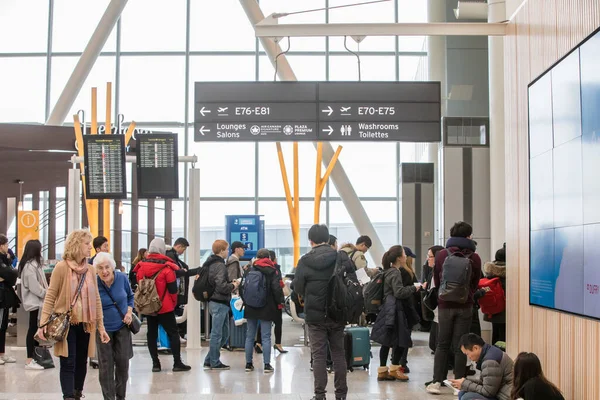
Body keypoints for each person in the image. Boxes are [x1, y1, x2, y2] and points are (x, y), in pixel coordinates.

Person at [37, 229, 110, 400]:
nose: (89, 247)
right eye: (86, 243)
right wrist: (43, 323)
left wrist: (101, 327)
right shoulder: (61, 268)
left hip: (86, 324)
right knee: (68, 361)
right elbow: (50, 296)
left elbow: (97, 300)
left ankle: (77, 393)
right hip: (67, 323)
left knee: (82, 362)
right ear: (76, 244)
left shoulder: (91, 270)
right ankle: (68, 396)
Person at [427, 221, 482, 395]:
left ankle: (436, 382)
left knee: (442, 344)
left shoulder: (442, 254)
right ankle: (458, 385)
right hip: (465, 306)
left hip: (444, 306)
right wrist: (468, 296)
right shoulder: (474, 257)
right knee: (460, 345)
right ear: (468, 236)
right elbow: (475, 281)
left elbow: (436, 278)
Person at [293, 224, 348, 400]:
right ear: (328, 239)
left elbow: (298, 287)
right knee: (338, 353)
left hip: (315, 315)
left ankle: (319, 395)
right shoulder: (340, 257)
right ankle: (341, 395)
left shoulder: (304, 261)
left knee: (319, 355)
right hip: (337, 312)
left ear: (310, 240)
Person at [133, 237, 191, 373]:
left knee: (151, 334)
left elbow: (141, 286)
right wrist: (172, 303)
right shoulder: (167, 268)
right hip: (165, 307)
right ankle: (177, 363)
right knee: (173, 333)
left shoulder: (141, 267)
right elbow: (172, 290)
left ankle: (155, 364)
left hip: (149, 307)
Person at [371, 245, 421, 382]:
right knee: (400, 340)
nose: (406, 256)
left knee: (387, 341)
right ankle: (394, 369)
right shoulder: (395, 272)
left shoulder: (388, 271)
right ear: (399, 258)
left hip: (388, 308)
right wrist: (414, 288)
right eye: (404, 254)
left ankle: (383, 371)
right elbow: (399, 292)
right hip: (396, 309)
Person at [94, 252, 134, 400]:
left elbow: (130, 297)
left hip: (122, 326)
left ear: (112, 267)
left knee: (123, 362)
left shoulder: (122, 278)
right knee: (106, 366)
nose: (104, 271)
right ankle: (109, 398)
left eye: (107, 267)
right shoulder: (95, 282)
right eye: (100, 268)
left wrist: (129, 312)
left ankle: (120, 396)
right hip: (103, 328)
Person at [243, 248, 284, 373]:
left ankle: (248, 364)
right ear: (269, 258)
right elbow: (277, 289)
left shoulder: (249, 269)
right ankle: (266, 365)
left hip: (250, 306)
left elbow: (242, 287)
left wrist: (246, 301)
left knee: (250, 336)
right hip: (267, 306)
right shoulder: (273, 271)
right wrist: (280, 302)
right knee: (266, 336)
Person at [203, 239, 240, 370]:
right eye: (227, 249)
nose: (228, 252)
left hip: (218, 302)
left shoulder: (211, 263)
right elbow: (221, 286)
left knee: (224, 334)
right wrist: (233, 285)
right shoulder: (219, 265)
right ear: (221, 251)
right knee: (217, 334)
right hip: (219, 302)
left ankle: (209, 360)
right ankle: (214, 361)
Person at [448, 333, 513, 400]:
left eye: (467, 354)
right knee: (462, 392)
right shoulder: (489, 352)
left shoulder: (489, 362)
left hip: (504, 396)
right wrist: (465, 381)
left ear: (475, 348)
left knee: (467, 397)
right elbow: (486, 382)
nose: (468, 357)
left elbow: (488, 392)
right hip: (499, 392)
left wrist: (465, 384)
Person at [18, 239, 48, 370]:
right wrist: (47, 294)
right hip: (34, 302)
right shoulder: (30, 266)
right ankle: (30, 359)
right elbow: (34, 287)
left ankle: (35, 357)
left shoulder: (34, 265)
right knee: (32, 329)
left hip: (38, 302)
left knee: (36, 330)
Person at [256, 250, 288, 355]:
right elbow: (277, 287)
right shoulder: (274, 269)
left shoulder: (255, 267)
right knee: (278, 322)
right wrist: (281, 301)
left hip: (261, 300)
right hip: (274, 301)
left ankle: (258, 343)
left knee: (263, 322)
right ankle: (278, 344)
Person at [475, 244, 506, 345]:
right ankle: (502, 355)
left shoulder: (490, 272)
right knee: (504, 336)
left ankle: (494, 354)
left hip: (492, 309)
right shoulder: (508, 272)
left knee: (496, 333)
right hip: (504, 310)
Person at [398, 246, 419, 374]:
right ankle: (402, 363)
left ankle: (398, 363)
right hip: (407, 308)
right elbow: (407, 291)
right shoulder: (406, 272)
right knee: (405, 337)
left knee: (399, 337)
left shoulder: (396, 271)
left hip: (401, 308)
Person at [0, 234, 19, 365]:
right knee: (0, 325)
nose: (8, 247)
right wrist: (7, 275)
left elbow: (12, 274)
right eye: (6, 244)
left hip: (5, 296)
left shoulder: (6, 258)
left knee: (3, 326)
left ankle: (2, 353)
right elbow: (7, 273)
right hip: (1, 297)